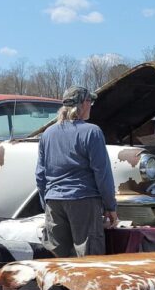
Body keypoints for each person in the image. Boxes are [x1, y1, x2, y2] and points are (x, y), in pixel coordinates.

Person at [35, 85, 117, 256]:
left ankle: (58, 285)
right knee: (88, 258)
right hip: (83, 200)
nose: (91, 106)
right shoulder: (92, 132)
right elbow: (102, 173)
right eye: (90, 101)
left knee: (57, 260)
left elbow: (40, 174)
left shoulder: (48, 134)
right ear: (82, 104)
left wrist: (46, 202)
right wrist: (110, 206)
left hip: (54, 201)